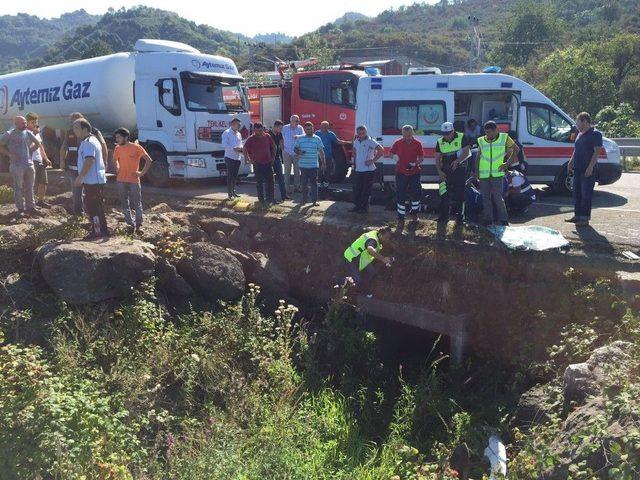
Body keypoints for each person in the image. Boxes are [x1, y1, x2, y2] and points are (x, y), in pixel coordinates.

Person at [60, 112, 108, 215]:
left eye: (77, 125)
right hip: (74, 167)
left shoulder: (91, 136)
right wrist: (62, 160)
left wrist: (105, 160)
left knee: (92, 198)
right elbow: (64, 147)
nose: (74, 127)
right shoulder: (70, 132)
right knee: (77, 193)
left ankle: (96, 223)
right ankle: (79, 213)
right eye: (73, 123)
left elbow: (91, 157)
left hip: (89, 172)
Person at [475, 121, 519, 226]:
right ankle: (488, 219)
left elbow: (516, 149)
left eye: (489, 132)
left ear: (496, 130)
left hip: (497, 174)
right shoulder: (481, 140)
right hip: (484, 174)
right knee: (485, 198)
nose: (487, 134)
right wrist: (476, 172)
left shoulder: (504, 138)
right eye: (486, 132)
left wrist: (507, 164)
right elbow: (478, 156)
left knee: (497, 197)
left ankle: (504, 220)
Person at [0, 116, 43, 217]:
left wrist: (30, 151)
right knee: (18, 187)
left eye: (25, 123)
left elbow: (37, 143)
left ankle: (31, 207)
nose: (25, 124)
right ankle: (20, 209)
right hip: (16, 165)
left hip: (29, 164)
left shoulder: (28, 132)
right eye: (23, 123)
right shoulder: (9, 134)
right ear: (16, 124)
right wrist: (9, 155)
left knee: (30, 186)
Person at [113, 128, 153, 234]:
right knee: (124, 202)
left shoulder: (136, 147)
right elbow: (115, 160)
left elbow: (149, 160)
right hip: (121, 180)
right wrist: (117, 167)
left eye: (119, 137)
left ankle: (139, 224)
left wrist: (141, 173)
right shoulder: (117, 148)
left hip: (134, 180)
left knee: (137, 203)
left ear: (126, 137)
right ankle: (130, 224)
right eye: (116, 137)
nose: (117, 139)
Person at [566, 112, 603, 227]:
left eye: (578, 121)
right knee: (576, 193)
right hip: (578, 168)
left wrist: (591, 166)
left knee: (586, 194)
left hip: (587, 169)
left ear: (585, 121)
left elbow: (597, 151)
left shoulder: (595, 134)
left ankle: (584, 218)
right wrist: (571, 161)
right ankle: (577, 216)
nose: (576, 124)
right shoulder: (580, 134)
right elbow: (576, 149)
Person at [74, 118, 108, 238]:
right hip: (92, 180)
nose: (74, 131)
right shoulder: (88, 140)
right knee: (95, 206)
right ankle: (100, 230)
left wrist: (80, 177)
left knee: (94, 207)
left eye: (77, 128)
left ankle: (98, 232)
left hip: (93, 181)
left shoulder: (89, 142)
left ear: (85, 129)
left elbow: (89, 160)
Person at [435, 122, 471, 224]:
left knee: (460, 194)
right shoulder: (440, 141)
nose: (446, 135)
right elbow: (437, 158)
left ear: (453, 131)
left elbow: (466, 152)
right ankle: (443, 217)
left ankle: (460, 218)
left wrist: (457, 161)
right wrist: (439, 171)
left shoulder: (461, 137)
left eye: (448, 133)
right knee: (443, 193)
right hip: (445, 170)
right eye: (444, 133)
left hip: (459, 169)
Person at [389, 125, 423, 228]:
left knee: (416, 193)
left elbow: (421, 157)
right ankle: (401, 217)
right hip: (401, 172)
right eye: (404, 136)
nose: (407, 138)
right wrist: (394, 157)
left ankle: (414, 214)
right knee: (400, 195)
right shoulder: (398, 143)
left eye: (408, 135)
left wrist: (416, 162)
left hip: (414, 172)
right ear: (402, 134)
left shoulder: (418, 144)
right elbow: (390, 153)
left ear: (412, 134)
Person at [343, 227, 393, 296]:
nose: (388, 239)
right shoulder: (373, 240)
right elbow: (370, 249)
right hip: (351, 259)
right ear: (381, 235)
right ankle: (353, 292)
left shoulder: (376, 234)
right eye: (387, 237)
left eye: (389, 238)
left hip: (361, 258)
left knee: (371, 272)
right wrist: (383, 259)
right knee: (357, 280)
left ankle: (364, 288)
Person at [351, 125, 384, 214]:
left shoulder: (371, 141)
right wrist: (354, 164)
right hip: (358, 169)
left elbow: (381, 150)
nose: (361, 135)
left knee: (366, 190)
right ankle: (357, 206)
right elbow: (354, 152)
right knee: (357, 189)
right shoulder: (356, 141)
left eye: (363, 133)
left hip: (368, 170)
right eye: (359, 133)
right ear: (357, 133)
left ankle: (364, 209)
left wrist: (373, 160)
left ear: (366, 132)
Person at [243, 122, 276, 205]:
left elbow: (274, 147)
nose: (259, 132)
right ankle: (261, 200)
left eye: (261, 130)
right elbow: (244, 148)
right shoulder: (251, 138)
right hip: (257, 164)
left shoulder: (267, 136)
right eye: (257, 131)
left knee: (270, 182)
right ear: (254, 130)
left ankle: (270, 198)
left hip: (268, 163)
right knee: (259, 182)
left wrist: (273, 158)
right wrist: (247, 159)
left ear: (263, 129)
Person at [294, 121, 326, 206]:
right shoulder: (300, 138)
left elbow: (321, 151)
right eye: (307, 129)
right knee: (304, 184)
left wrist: (323, 163)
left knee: (314, 184)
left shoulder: (317, 139)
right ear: (305, 129)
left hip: (313, 166)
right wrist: (299, 152)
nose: (309, 130)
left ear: (313, 128)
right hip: (303, 166)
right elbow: (295, 149)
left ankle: (315, 201)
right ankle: (304, 200)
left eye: (310, 129)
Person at [25, 112, 52, 209]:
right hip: (31, 161)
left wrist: (46, 158)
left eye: (36, 122)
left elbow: (41, 147)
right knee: (32, 183)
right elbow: (28, 148)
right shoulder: (25, 133)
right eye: (32, 122)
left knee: (43, 182)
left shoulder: (36, 134)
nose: (35, 124)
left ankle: (40, 201)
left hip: (39, 160)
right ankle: (30, 203)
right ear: (27, 122)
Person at [315, 121, 350, 188]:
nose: (323, 128)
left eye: (325, 126)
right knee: (319, 170)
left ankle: (326, 184)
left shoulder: (331, 134)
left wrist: (348, 142)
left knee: (328, 170)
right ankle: (318, 183)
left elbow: (338, 141)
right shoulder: (317, 133)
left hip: (328, 156)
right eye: (322, 126)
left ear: (328, 127)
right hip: (319, 155)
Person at [222, 117, 244, 199]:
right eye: (238, 124)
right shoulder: (226, 133)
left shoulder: (239, 134)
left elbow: (240, 143)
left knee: (235, 176)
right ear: (233, 124)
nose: (239, 126)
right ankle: (229, 194)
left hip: (237, 157)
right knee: (230, 176)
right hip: (229, 157)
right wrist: (234, 148)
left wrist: (241, 148)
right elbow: (224, 144)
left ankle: (233, 191)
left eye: (240, 125)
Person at [268, 120, 289, 202]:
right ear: (275, 126)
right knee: (270, 179)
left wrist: (284, 149)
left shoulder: (279, 134)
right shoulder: (268, 135)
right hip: (269, 159)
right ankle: (271, 198)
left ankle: (284, 196)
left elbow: (281, 144)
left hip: (277, 158)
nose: (281, 129)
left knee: (281, 178)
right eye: (280, 128)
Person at [282, 115, 304, 194]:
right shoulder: (285, 128)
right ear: (291, 121)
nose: (298, 122)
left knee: (297, 171)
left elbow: (304, 136)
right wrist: (282, 148)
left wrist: (298, 136)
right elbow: (281, 138)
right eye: (296, 121)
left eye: (298, 121)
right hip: (286, 152)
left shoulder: (300, 128)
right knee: (287, 171)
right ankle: (286, 188)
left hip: (296, 152)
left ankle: (296, 187)